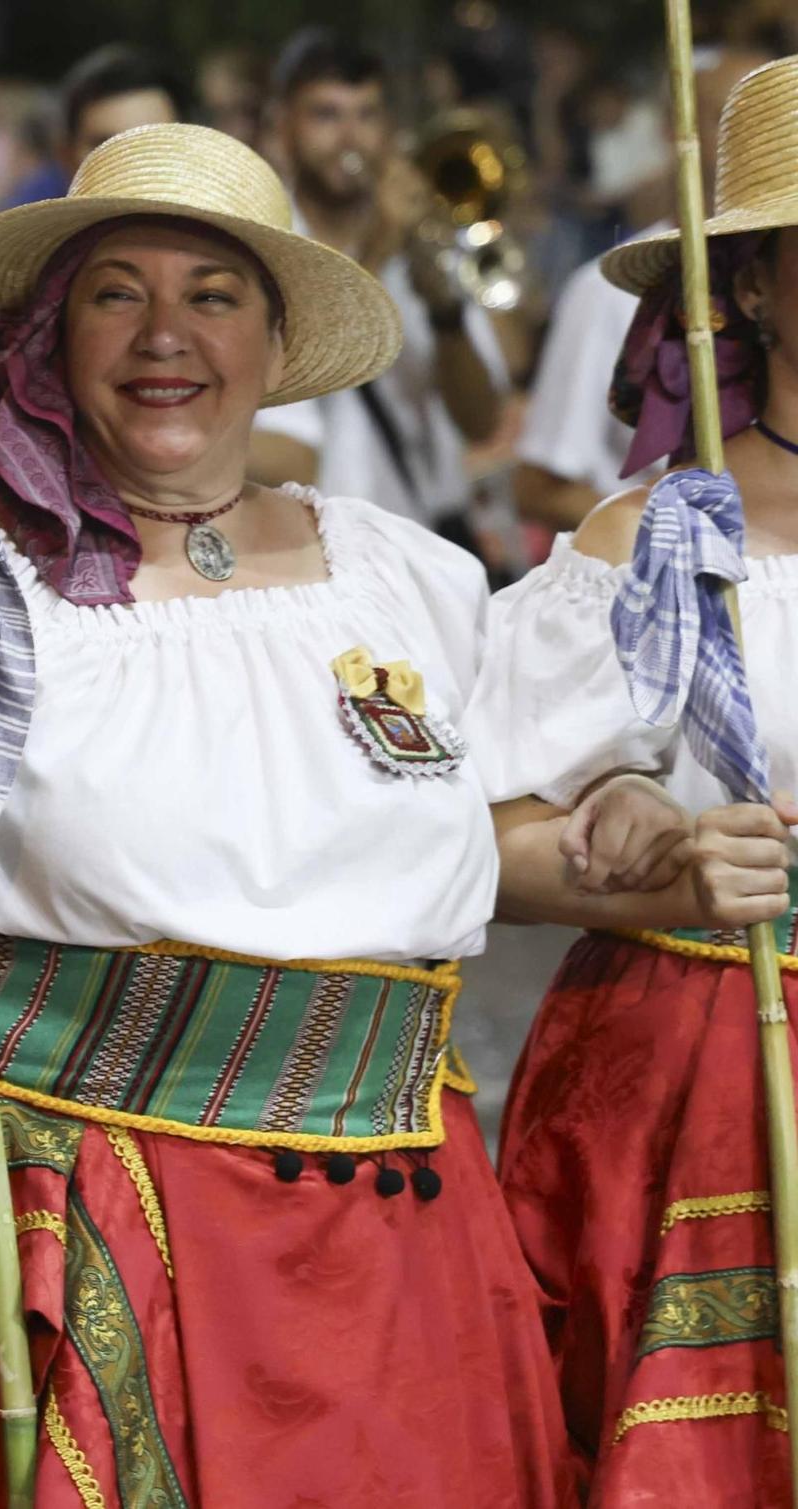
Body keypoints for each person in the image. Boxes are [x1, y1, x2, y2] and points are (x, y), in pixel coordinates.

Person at [0, 121, 594, 1507]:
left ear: (274, 345)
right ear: (53, 334)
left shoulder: (411, 577)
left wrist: (646, 843)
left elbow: (491, 847)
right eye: (116, 293)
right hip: (91, 1212)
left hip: (402, 1245)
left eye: (213, 295)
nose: (166, 334)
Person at [478, 55, 798, 1503]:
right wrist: (656, 858)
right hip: (711, 1067)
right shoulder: (650, 542)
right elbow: (480, 840)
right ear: (746, 288)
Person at [250, 30, 509, 537]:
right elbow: (294, 384)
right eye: (326, 115)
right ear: (284, 127)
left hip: (428, 533)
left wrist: (444, 309)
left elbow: (482, 421)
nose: (350, 137)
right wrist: (375, 254)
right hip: (314, 541)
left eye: (366, 115)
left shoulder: (422, 228)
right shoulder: (264, 244)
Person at [512, 44, 768, 531]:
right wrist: (678, 544)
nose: (755, 144)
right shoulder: (606, 292)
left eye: (772, 126)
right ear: (676, 131)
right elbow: (539, 485)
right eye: (731, 120)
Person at [0, 44, 190, 211]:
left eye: (151, 142)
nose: (131, 162)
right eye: (106, 146)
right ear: (66, 157)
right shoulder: (25, 226)